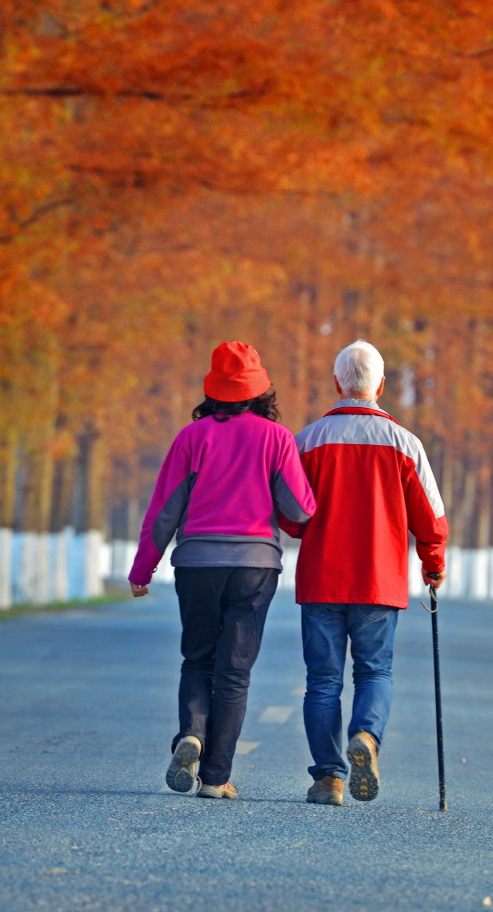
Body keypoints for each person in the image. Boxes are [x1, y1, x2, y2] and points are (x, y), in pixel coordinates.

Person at [129, 341, 316, 800]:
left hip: (197, 564)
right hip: (254, 568)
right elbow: (300, 509)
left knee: (197, 659)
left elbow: (165, 511)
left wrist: (142, 568)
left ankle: (191, 733)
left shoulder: (190, 439)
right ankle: (215, 778)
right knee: (234, 673)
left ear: (214, 389)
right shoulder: (277, 439)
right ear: (260, 391)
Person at [279, 340, 448, 806]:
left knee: (323, 680)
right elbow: (431, 518)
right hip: (379, 583)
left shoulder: (309, 440)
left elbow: (290, 513)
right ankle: (367, 739)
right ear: (380, 385)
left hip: (322, 580)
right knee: (375, 672)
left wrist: (304, 528)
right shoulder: (404, 443)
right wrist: (433, 564)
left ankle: (328, 779)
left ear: (338, 384)